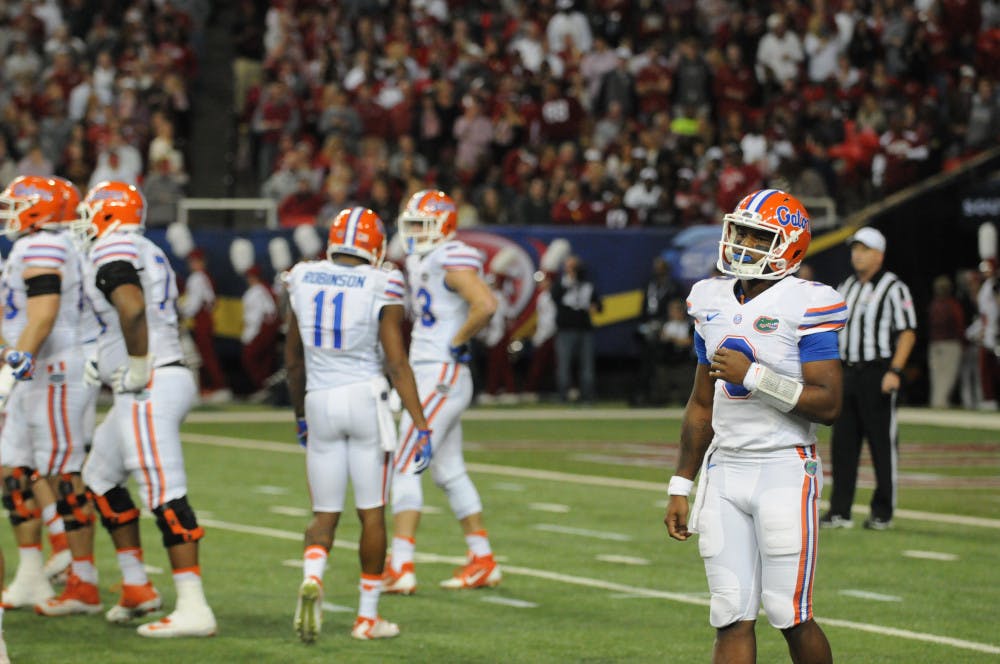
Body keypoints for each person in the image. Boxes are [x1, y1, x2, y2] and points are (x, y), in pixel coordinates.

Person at [665, 189, 844, 664]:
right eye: (739, 231)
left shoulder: (807, 302)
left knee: (789, 613)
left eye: (756, 235)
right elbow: (702, 404)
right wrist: (681, 483)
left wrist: (756, 377)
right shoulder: (710, 299)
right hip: (725, 470)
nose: (741, 243)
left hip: (784, 467)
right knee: (730, 613)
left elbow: (828, 404)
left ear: (789, 245)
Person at [70, 180, 216, 636]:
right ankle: (137, 586)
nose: (85, 223)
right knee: (99, 476)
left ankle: (194, 606)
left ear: (108, 214)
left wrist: (134, 365)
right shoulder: (143, 246)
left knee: (163, 491)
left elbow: (131, 309)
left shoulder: (111, 246)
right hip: (156, 375)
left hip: (150, 381)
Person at [285, 206, 430, 642]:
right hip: (365, 398)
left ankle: (313, 575)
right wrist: (420, 423)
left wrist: (299, 415)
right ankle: (367, 617)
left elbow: (293, 361)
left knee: (323, 511)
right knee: (371, 512)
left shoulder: (302, 276)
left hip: (319, 400)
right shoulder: (381, 280)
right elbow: (396, 361)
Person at [383, 189, 501, 594]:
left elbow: (484, 304)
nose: (414, 233)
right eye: (411, 224)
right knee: (447, 470)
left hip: (440, 372)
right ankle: (482, 558)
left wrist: (456, 341)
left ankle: (400, 565)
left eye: (422, 225)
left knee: (404, 462)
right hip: (434, 372)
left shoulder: (451, 256)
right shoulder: (426, 257)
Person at [0, 175, 92, 611]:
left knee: (62, 475)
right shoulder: (28, 246)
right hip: (31, 370)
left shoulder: (46, 245)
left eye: (16, 204)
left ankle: (84, 580)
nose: (8, 211)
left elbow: (42, 315)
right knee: (13, 470)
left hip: (51, 371)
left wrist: (12, 369)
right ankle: (33, 573)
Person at [822, 227, 917, 530]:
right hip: (847, 372)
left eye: (864, 250)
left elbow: (907, 332)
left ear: (879, 254)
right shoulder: (845, 286)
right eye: (855, 249)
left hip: (877, 372)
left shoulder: (893, 287)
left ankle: (882, 511)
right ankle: (839, 511)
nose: (857, 255)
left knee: (881, 445)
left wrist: (895, 371)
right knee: (843, 445)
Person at [179, 248, 230, 401]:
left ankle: (218, 387)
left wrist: (181, 313)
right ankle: (214, 387)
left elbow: (193, 303)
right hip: (205, 319)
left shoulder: (197, 278)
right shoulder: (204, 277)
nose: (192, 264)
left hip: (201, 320)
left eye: (195, 261)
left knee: (205, 355)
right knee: (205, 355)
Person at [551, 255, 602, 403]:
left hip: (585, 329)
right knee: (563, 365)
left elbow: (599, 305)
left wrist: (595, 307)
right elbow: (554, 297)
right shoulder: (561, 283)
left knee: (587, 366)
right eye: (569, 266)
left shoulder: (587, 284)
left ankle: (587, 396)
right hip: (565, 329)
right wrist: (568, 282)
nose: (572, 269)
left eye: (574, 266)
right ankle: (563, 396)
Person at [926, 274, 965, 408]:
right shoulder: (952, 305)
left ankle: (937, 403)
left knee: (938, 377)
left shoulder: (934, 305)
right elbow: (959, 326)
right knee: (946, 377)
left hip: (935, 344)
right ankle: (939, 404)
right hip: (949, 344)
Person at [240, 265, 279, 395]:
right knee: (265, 360)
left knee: (251, 357)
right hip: (266, 329)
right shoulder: (264, 289)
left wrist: (249, 335)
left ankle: (264, 387)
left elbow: (255, 316)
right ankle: (268, 388)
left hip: (259, 329)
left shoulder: (257, 291)